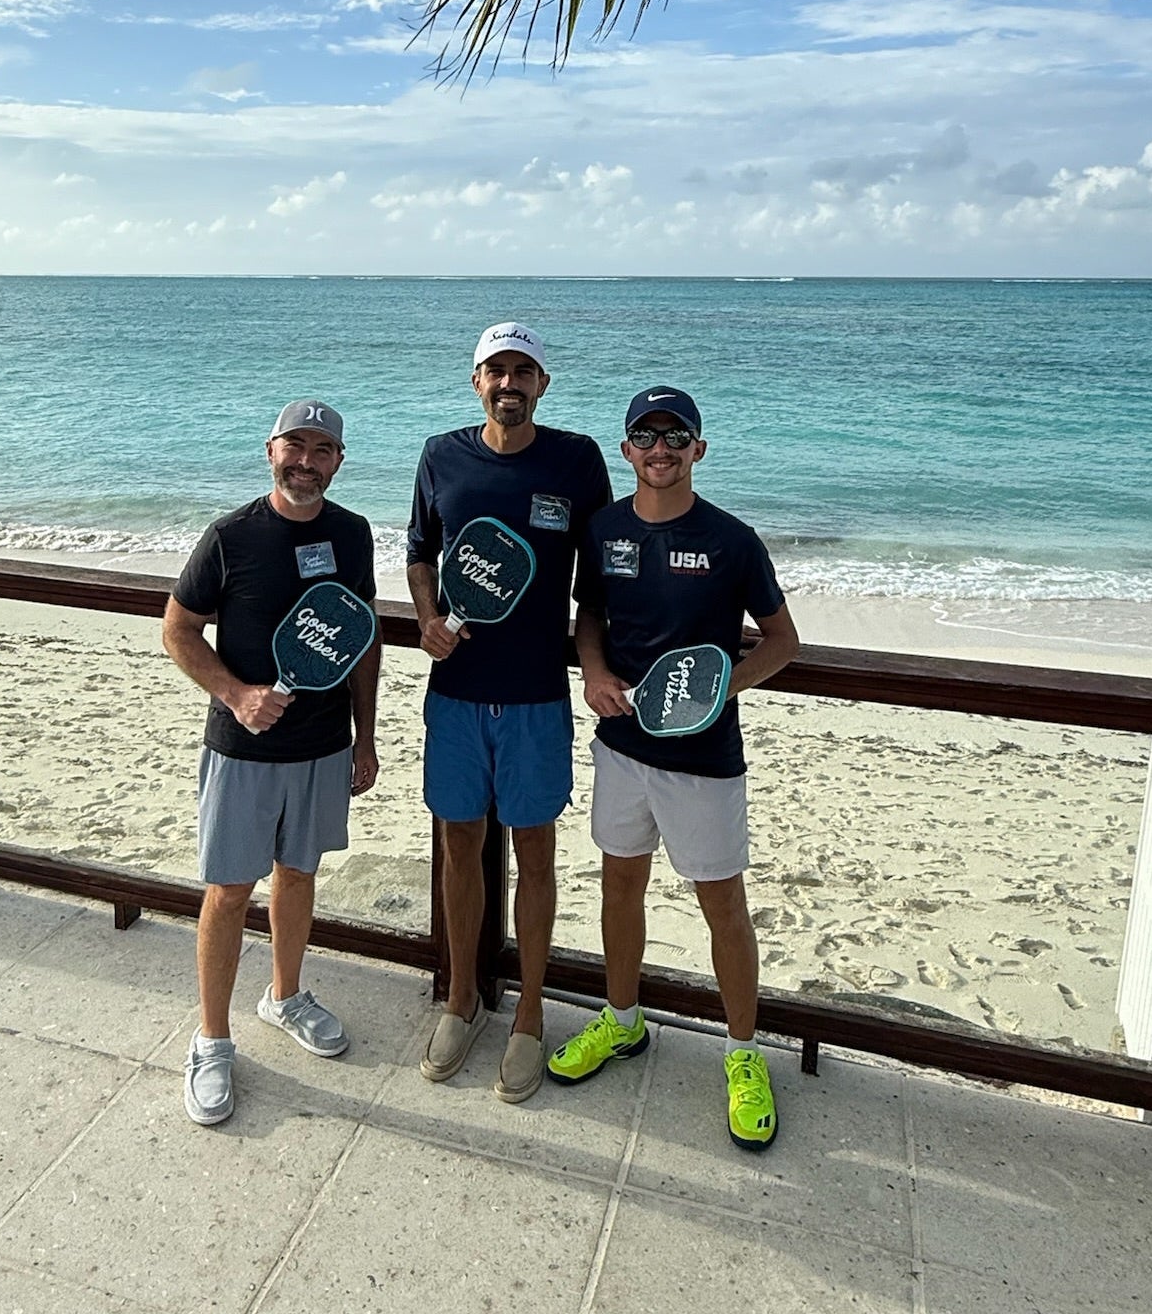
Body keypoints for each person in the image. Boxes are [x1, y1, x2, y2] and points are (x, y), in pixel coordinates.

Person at [548, 385, 800, 1150]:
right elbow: (589, 615)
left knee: (722, 902)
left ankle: (744, 1054)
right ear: (626, 450)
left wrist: (719, 689)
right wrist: (592, 673)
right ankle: (622, 1024)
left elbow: (783, 642)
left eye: (676, 435)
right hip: (622, 749)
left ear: (699, 448)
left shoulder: (732, 539)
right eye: (645, 436)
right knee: (619, 885)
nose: (661, 448)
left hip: (704, 760)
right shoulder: (604, 529)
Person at [407, 322, 611, 1103]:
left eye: (524, 370)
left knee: (536, 852)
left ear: (543, 384)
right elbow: (421, 551)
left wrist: (601, 662)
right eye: (496, 370)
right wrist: (427, 615)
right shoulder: (440, 454)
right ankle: (462, 999)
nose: (509, 383)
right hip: (455, 695)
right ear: (477, 382)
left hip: (534, 697)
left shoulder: (578, 459)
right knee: (461, 844)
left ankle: (527, 1014)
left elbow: (598, 583)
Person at [162, 400, 380, 1126]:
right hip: (243, 750)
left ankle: (284, 995)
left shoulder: (352, 535)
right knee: (229, 891)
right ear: (270, 451)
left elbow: (361, 639)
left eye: (322, 450)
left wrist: (367, 736)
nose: (306, 461)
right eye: (295, 445)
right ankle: (212, 1040)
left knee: (300, 874)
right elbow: (179, 629)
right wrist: (235, 694)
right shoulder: (229, 536)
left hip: (322, 747)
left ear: (338, 462)